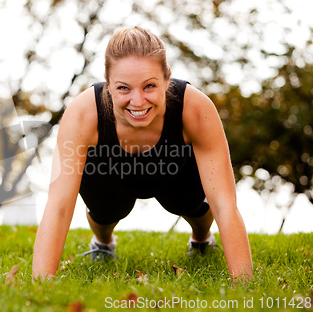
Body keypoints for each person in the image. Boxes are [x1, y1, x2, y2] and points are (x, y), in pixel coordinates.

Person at [32, 26, 253, 282]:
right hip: (109, 176)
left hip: (177, 173)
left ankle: (201, 240)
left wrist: (244, 286)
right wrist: (41, 286)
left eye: (149, 86)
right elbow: (59, 206)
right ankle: (103, 245)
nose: (138, 102)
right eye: (124, 88)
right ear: (108, 83)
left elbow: (224, 205)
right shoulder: (82, 114)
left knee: (190, 206)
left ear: (167, 78)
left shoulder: (195, 109)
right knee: (106, 212)